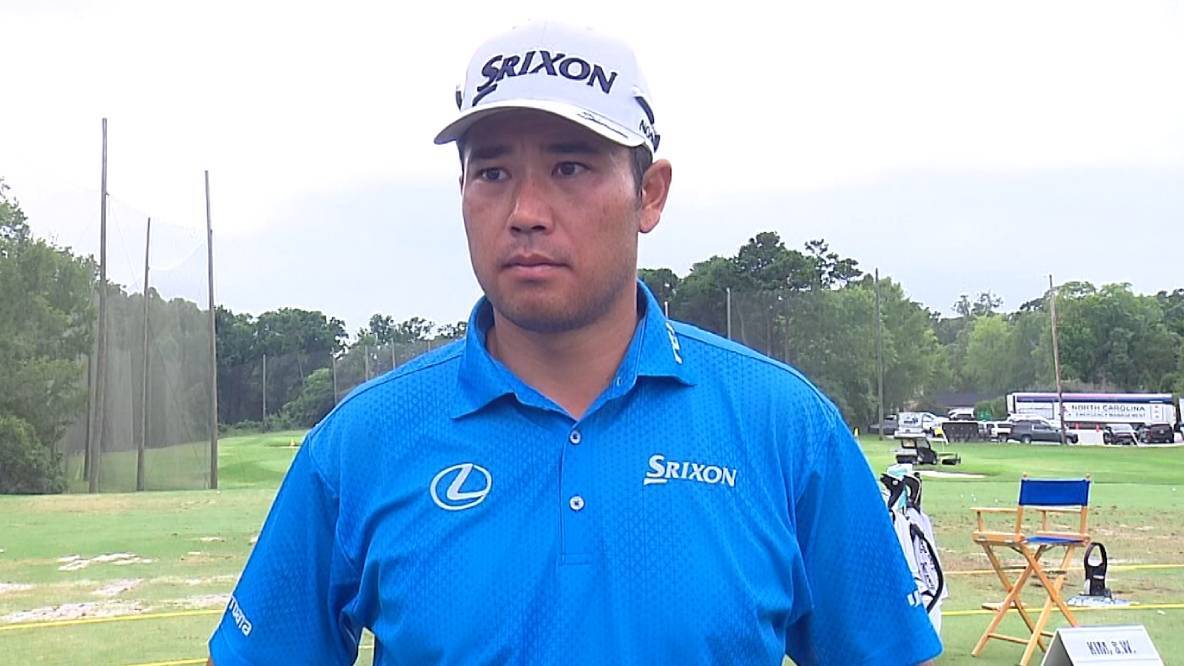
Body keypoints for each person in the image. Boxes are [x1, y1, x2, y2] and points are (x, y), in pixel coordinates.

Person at [208, 21, 941, 665]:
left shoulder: (784, 426)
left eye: (570, 167)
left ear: (649, 193)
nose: (526, 211)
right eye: (492, 171)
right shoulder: (361, 443)